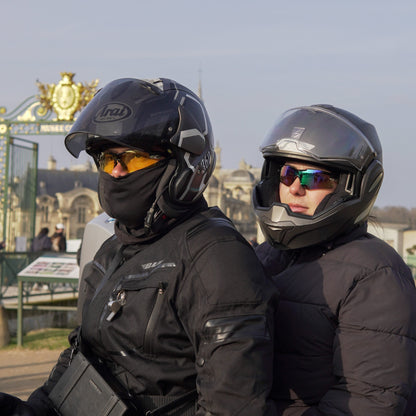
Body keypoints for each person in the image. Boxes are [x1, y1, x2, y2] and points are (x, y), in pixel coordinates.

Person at [0, 78, 277, 415]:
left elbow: (233, 405)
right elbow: (79, 362)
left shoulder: (216, 258)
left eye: (132, 159)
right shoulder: (113, 249)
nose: (116, 172)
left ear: (181, 163)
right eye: (105, 159)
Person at [252, 104, 416, 415]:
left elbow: (365, 403)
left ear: (350, 187)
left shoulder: (376, 274)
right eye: (287, 174)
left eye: (315, 178)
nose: (295, 188)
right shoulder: (267, 255)